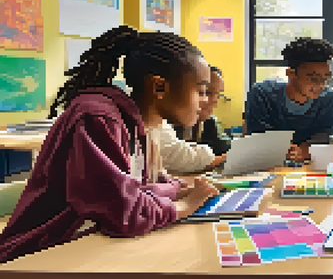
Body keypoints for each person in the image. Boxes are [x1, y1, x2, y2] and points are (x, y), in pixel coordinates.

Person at [0, 26, 220, 264]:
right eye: (201, 91)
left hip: (84, 249)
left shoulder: (138, 124)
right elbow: (123, 213)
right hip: (36, 258)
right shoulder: (98, 119)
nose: (206, 101)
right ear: (159, 87)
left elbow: (139, 190)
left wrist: (179, 189)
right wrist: (186, 205)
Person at [244, 37, 333, 162]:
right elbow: (257, 137)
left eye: (326, 78)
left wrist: (302, 151)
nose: (320, 85)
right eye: (312, 79)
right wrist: (285, 150)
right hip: (265, 166)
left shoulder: (331, 99)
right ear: (290, 73)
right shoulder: (262, 94)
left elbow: (325, 136)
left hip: (308, 168)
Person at [161, 65, 230, 174]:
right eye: (205, 92)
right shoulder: (158, 125)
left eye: (218, 95)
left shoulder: (209, 123)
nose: (213, 101)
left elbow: (224, 148)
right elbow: (181, 157)